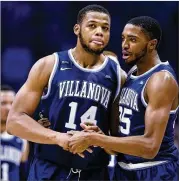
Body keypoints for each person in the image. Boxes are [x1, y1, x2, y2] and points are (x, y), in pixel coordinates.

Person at [6, 4, 126, 181]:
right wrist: (58, 137)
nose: (100, 32)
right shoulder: (49, 65)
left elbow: (118, 142)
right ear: (77, 29)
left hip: (94, 172)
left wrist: (100, 138)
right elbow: (14, 122)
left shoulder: (118, 76)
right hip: (49, 169)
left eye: (105, 28)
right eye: (92, 26)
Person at [68, 16, 179, 181]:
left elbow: (150, 147)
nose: (125, 45)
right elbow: (121, 141)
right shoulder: (132, 72)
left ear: (152, 44)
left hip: (155, 171)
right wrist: (103, 137)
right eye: (123, 38)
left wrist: (96, 138)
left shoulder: (161, 80)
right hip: (123, 170)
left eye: (132, 40)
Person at [1, 85, 29, 181]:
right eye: (3, 103)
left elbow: (24, 174)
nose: (8, 108)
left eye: (12, 103)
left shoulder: (22, 140)